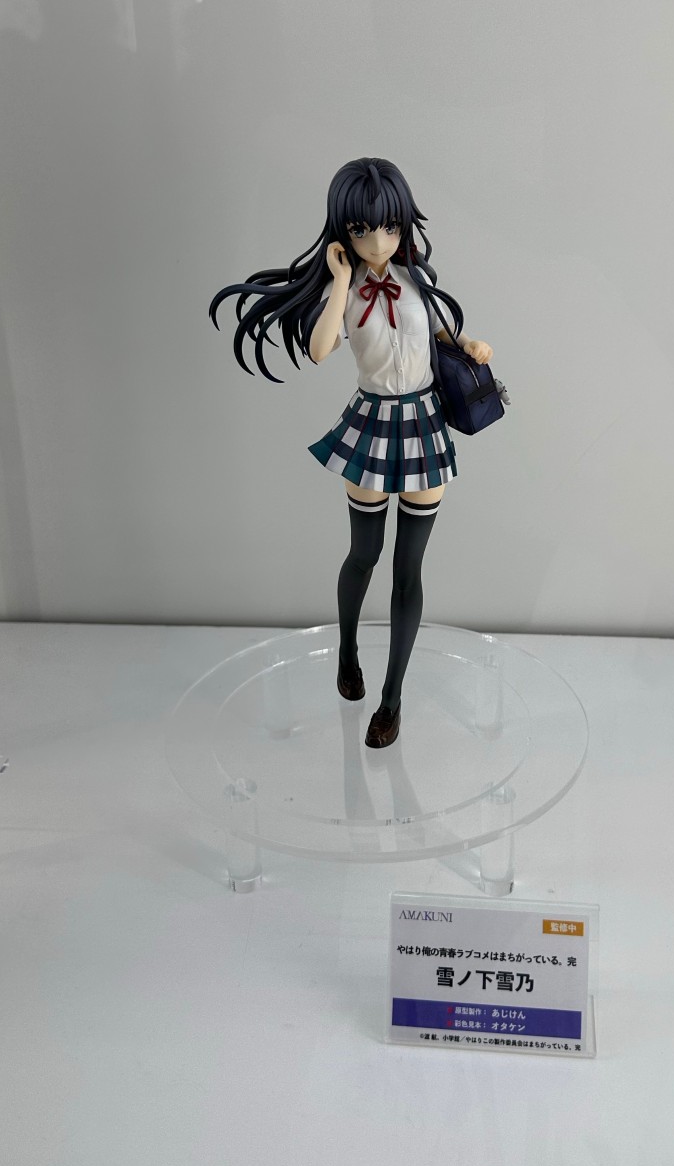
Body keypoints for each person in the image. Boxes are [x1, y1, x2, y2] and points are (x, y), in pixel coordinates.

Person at [209, 156, 492, 748]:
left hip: (423, 422)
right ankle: (346, 650)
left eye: (389, 226)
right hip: (372, 423)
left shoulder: (418, 279)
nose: (378, 241)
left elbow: (438, 328)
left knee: (408, 568)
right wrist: (341, 281)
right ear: (344, 230)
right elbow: (319, 349)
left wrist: (468, 342)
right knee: (365, 553)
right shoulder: (346, 289)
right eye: (363, 229)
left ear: (403, 222)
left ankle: (392, 700)